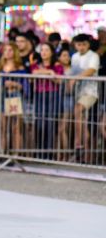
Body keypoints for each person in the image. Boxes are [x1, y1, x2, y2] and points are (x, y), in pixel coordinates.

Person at [30, 42, 64, 159]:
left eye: (46, 50)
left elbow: (59, 81)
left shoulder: (57, 65)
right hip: (39, 95)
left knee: (50, 124)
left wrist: (49, 73)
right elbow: (34, 73)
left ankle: (48, 153)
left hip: (53, 95)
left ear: (51, 52)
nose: (43, 52)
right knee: (39, 123)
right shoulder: (36, 64)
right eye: (42, 50)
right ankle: (39, 152)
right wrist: (49, 73)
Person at [70, 34, 100, 162]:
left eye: (84, 44)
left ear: (88, 44)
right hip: (78, 93)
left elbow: (91, 70)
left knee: (78, 110)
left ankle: (79, 143)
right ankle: (83, 151)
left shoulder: (94, 56)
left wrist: (75, 79)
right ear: (75, 45)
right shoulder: (74, 57)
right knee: (82, 122)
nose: (81, 47)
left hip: (90, 92)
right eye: (78, 44)